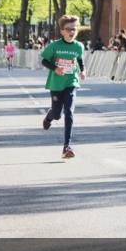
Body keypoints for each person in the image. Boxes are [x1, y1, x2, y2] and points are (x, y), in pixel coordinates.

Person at [40, 15, 86, 160]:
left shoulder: (79, 46)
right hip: (56, 84)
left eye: (74, 29)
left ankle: (67, 147)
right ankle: (49, 117)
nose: (72, 32)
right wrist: (55, 68)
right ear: (62, 31)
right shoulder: (54, 46)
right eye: (69, 29)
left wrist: (83, 70)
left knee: (69, 112)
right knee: (57, 114)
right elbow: (44, 61)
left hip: (71, 82)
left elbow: (79, 60)